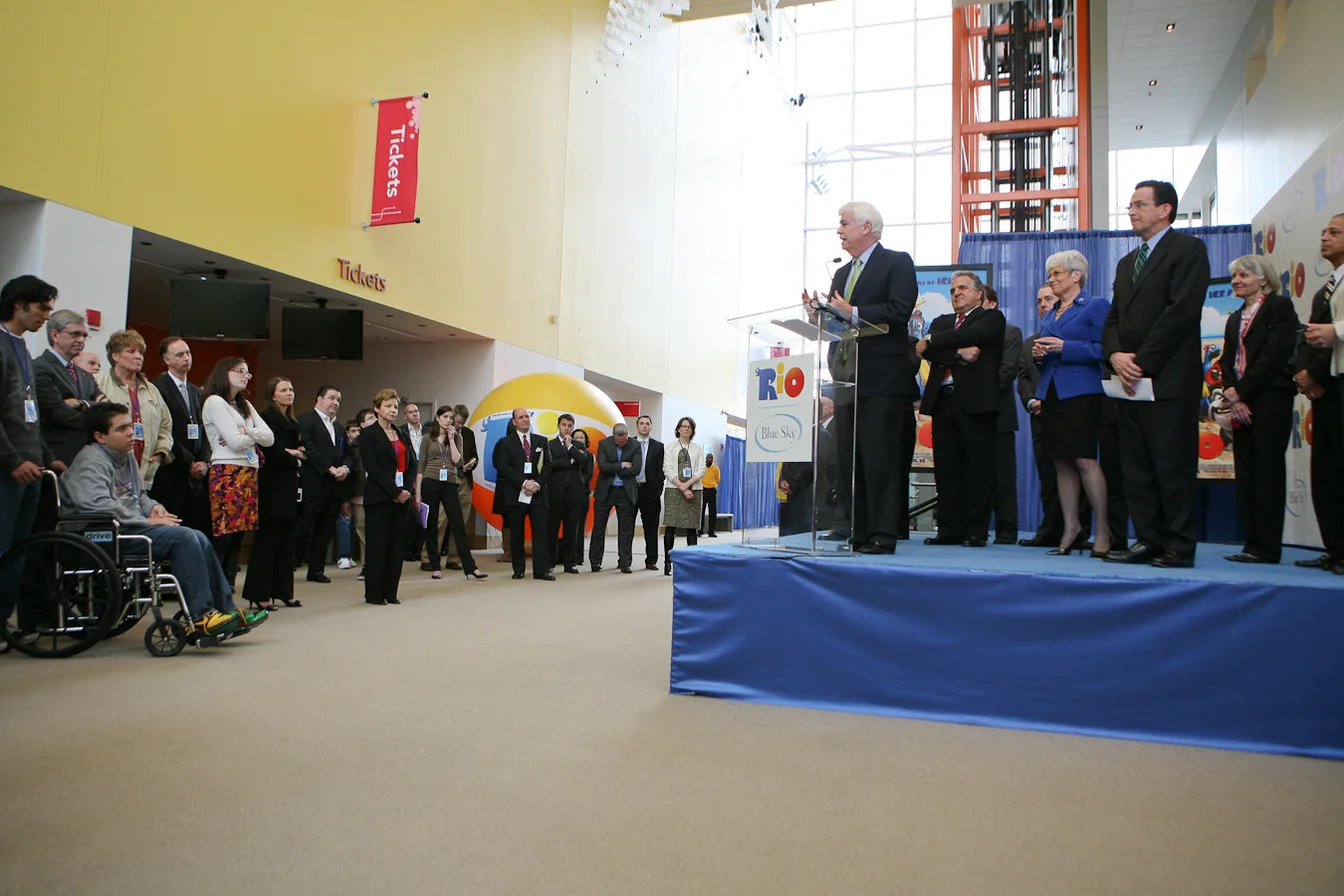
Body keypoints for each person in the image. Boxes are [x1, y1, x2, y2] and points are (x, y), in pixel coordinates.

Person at [60, 403, 265, 635]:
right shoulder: (91, 461)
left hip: (128, 527)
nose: (130, 432)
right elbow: (96, 506)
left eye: (130, 426)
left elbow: (139, 496)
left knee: (197, 535)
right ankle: (200, 617)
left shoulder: (125, 457)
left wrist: (154, 508)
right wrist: (145, 522)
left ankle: (225, 610)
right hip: (101, 533)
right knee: (184, 539)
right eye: (121, 428)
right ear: (100, 436)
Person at [1102, 180, 1211, 568]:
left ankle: (1179, 545)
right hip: (1129, 382)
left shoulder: (1188, 250)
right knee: (1137, 466)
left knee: (1172, 464)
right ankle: (1147, 538)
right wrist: (1115, 354)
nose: (1131, 211)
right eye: (1130, 205)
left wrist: (1141, 361)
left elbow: (1180, 313)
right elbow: (1113, 318)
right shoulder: (1126, 262)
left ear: (1165, 209)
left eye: (1139, 204)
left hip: (1168, 378)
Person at [802, 201, 917, 555]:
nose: (839, 230)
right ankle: (858, 528)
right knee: (852, 459)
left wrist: (855, 312)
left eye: (844, 223)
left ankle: (883, 533)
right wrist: (817, 315)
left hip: (883, 377)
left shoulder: (897, 262)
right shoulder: (842, 274)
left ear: (867, 228)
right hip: (847, 381)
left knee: (879, 457)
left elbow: (900, 310)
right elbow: (840, 324)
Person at [1215, 255, 1299, 564]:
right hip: (1241, 402)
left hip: (1269, 398)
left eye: (1243, 275)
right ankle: (1251, 543)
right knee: (1247, 472)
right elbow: (1226, 360)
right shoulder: (1234, 317)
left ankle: (1267, 546)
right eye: (1234, 276)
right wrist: (1232, 396)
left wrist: (1242, 391)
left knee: (1267, 471)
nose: (1236, 280)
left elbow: (1274, 355)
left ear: (1262, 279)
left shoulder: (1279, 308)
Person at [1032, 251, 1113, 558]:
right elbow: (1044, 357)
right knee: (1060, 462)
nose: (1051, 279)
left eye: (1056, 274)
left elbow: (1104, 349)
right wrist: (1040, 356)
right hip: (1051, 391)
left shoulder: (1094, 306)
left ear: (1076, 275)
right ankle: (1071, 527)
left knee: (1084, 459)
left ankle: (1102, 529)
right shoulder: (1051, 313)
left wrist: (1066, 347)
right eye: (1050, 274)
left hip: (1082, 391)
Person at [916, 271, 1005, 547]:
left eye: (963, 288)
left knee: (977, 467)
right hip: (943, 401)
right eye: (953, 290)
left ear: (979, 293)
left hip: (976, 402)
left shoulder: (991, 317)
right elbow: (923, 349)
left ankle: (975, 531)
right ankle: (949, 530)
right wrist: (958, 352)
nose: (956, 293)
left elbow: (976, 335)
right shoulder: (942, 321)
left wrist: (935, 341)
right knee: (947, 469)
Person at [0, 276, 61, 643]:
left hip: (32, 467)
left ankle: (4, 620)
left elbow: (30, 414)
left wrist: (47, 456)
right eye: (42, 308)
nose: (45, 316)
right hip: (9, 469)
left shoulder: (22, 348)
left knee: (20, 551)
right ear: (19, 304)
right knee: (3, 546)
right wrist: (11, 459)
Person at [1294, 215, 1344, 575]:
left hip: (1338, 381)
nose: (1324, 237)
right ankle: (1335, 548)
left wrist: (1335, 332)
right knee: (1326, 472)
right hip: (1324, 390)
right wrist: (1305, 375)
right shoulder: (1325, 286)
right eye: (1324, 231)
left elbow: (1330, 334)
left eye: (1335, 232)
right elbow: (1311, 336)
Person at [200, 357, 273, 589]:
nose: (245, 375)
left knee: (240, 534)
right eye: (240, 370)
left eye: (248, 372)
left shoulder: (244, 405)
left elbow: (269, 438)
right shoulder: (214, 402)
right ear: (224, 372)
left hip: (248, 471)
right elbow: (233, 441)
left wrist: (247, 430)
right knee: (225, 533)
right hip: (227, 471)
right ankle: (215, 585)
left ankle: (229, 585)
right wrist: (252, 435)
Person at [243, 376, 305, 610]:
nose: (289, 393)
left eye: (291, 389)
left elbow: (298, 449)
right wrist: (292, 454)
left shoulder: (292, 420)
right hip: (271, 483)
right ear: (273, 395)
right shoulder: (265, 417)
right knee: (267, 542)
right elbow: (271, 449)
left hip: (290, 483)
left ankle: (284, 591)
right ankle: (259, 593)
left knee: (286, 541)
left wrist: (296, 453)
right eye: (283, 390)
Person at [1018, 285, 1072, 548]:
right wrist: (1031, 401)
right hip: (1039, 416)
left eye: (1047, 299)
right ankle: (1050, 530)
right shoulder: (1030, 342)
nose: (1042, 304)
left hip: (1069, 413)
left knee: (1074, 471)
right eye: (1038, 300)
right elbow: (1024, 376)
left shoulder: (1072, 339)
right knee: (1047, 475)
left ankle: (1077, 531)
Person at [96, 328, 173, 491]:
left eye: (140, 353)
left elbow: (166, 425)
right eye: (131, 351)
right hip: (107, 470)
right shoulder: (97, 382)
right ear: (115, 356)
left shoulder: (152, 389)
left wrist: (161, 453)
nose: (138, 356)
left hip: (144, 471)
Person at [416, 405, 485, 581]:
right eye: (445, 417)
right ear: (437, 418)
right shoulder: (427, 438)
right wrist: (417, 494)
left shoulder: (458, 437)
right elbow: (420, 466)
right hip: (430, 482)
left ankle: (470, 567)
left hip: (450, 483)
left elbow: (458, 461)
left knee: (458, 523)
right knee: (432, 525)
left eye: (450, 417)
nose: (448, 420)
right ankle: (435, 565)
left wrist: (452, 439)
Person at [360, 389, 416, 604]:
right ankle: (374, 593)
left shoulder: (401, 433)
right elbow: (373, 469)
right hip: (380, 497)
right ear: (377, 408)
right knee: (378, 546)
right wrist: (394, 492)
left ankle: (390, 592)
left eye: (395, 407)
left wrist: (406, 491)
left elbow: (412, 463)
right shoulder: (368, 434)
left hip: (402, 497)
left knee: (395, 546)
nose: (393, 410)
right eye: (388, 406)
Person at [150, 337, 211, 533]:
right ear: (167, 360)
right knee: (172, 526)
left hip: (196, 474)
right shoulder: (158, 388)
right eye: (180, 354)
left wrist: (204, 460)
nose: (186, 358)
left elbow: (204, 428)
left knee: (194, 525)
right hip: (173, 468)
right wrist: (188, 462)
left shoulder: (195, 391)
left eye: (188, 353)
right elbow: (164, 430)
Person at [33, 309, 105, 468]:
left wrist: (81, 403)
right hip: (57, 456)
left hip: (87, 458)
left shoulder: (85, 375)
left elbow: (106, 408)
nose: (81, 340)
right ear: (55, 335)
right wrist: (95, 412)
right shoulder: (40, 367)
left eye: (84, 336)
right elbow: (58, 413)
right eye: (75, 334)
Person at [296, 385, 349, 583]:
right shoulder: (305, 420)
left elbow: (347, 453)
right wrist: (328, 467)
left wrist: (345, 467)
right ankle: (291, 562)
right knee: (303, 525)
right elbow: (308, 448)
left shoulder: (338, 427)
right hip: (314, 483)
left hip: (334, 486)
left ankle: (316, 569)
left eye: (338, 399)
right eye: (331, 398)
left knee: (325, 528)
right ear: (319, 399)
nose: (335, 402)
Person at [492, 407, 553, 580]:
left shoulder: (542, 441)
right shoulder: (504, 443)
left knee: (541, 533)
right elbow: (503, 467)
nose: (525, 419)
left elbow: (548, 465)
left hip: (538, 494)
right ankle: (518, 569)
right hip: (516, 493)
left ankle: (541, 570)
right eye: (521, 417)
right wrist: (524, 483)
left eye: (527, 416)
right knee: (517, 533)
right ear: (514, 421)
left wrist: (537, 484)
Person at [982, 285, 1022, 544]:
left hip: (999, 414)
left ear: (993, 304)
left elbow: (1007, 372)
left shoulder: (1010, 333)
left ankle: (1007, 532)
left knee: (1003, 476)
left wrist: (975, 391)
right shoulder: (964, 333)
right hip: (970, 414)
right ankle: (975, 528)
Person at [590, 422, 641, 573]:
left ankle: (625, 562)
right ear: (613, 437)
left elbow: (636, 469)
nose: (621, 443)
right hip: (606, 490)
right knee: (599, 527)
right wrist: (622, 465)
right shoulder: (604, 444)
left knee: (626, 529)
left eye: (624, 441)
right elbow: (603, 467)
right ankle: (595, 561)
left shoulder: (635, 445)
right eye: (618, 442)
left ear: (627, 435)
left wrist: (616, 468)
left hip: (625, 492)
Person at [546, 413, 592, 575]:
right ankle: (550, 562)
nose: (566, 428)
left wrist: (570, 448)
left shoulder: (578, 445)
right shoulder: (550, 445)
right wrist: (568, 462)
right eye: (564, 425)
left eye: (569, 426)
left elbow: (583, 461)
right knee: (552, 529)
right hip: (555, 493)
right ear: (558, 426)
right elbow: (551, 464)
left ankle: (570, 562)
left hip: (575, 494)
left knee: (572, 530)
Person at [661, 416, 705, 575]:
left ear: (692, 430)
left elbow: (701, 470)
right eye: (683, 426)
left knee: (691, 527)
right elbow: (667, 469)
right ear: (678, 429)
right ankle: (667, 563)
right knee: (670, 526)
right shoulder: (670, 447)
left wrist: (688, 485)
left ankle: (692, 563)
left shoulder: (697, 448)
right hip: (674, 490)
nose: (686, 429)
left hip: (694, 490)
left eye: (689, 427)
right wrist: (681, 486)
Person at [443, 403, 479, 570]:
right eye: (457, 422)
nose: (459, 425)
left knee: (461, 522)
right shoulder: (441, 433)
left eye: (462, 423)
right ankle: (429, 558)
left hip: (464, 481)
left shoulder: (469, 434)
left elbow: (474, 456)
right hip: (446, 481)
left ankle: (453, 558)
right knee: (440, 521)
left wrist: (471, 464)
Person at [632, 415, 664, 570]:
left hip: (650, 492)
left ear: (651, 427)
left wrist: (658, 489)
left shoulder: (659, 447)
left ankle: (651, 560)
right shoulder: (629, 444)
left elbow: (662, 470)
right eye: (641, 423)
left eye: (647, 424)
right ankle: (624, 560)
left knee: (651, 529)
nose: (644, 426)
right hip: (631, 491)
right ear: (637, 426)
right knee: (627, 528)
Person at [400, 402, 427, 563]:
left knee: (423, 512)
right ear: (405, 416)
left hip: (424, 472)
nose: (415, 414)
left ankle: (419, 549)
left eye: (416, 411)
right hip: (408, 474)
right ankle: (408, 549)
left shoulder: (428, 432)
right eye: (411, 412)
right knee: (409, 515)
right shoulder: (400, 431)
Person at [699, 452, 720, 537]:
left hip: (712, 490)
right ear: (706, 459)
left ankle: (711, 531)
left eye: (711, 458)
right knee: (701, 511)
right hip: (703, 490)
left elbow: (717, 479)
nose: (710, 459)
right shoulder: (702, 468)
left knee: (713, 512)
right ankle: (700, 530)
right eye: (709, 458)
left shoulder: (716, 468)